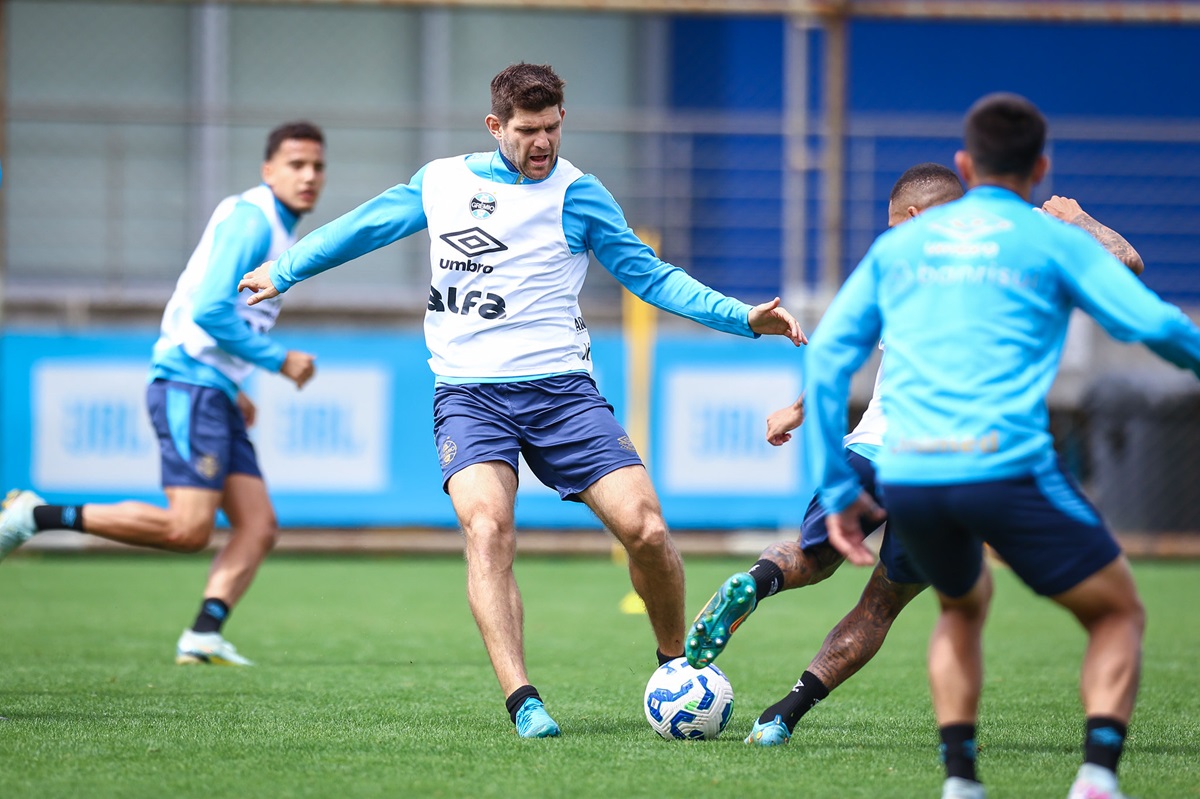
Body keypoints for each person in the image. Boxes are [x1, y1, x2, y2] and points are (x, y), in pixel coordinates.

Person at [236, 62, 805, 738]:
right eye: (529, 131)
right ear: (495, 125)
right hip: (469, 397)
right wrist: (286, 268)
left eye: (553, 129)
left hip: (563, 394)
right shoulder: (444, 181)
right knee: (487, 530)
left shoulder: (580, 195)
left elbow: (652, 278)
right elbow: (363, 227)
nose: (544, 144)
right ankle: (523, 699)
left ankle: (675, 665)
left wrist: (743, 317)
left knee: (647, 529)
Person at [803, 92, 1200, 799]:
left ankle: (961, 781)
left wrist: (835, 483)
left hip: (913, 471)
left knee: (960, 606)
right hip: (1006, 465)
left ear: (965, 164)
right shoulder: (1050, 239)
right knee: (1118, 610)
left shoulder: (902, 246)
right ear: (1040, 167)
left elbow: (829, 355)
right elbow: (1156, 323)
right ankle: (1098, 776)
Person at [684, 165, 1146, 750]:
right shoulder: (1020, 234)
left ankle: (758, 580)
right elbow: (1127, 265)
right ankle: (782, 716)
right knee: (881, 603)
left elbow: (841, 349)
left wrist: (800, 410)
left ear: (917, 218)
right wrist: (1077, 220)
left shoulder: (896, 265)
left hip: (876, 447)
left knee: (814, 553)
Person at [0, 121, 327, 667]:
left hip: (211, 386)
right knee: (186, 528)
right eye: (296, 164)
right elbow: (207, 310)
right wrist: (278, 360)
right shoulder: (254, 220)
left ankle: (203, 634)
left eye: (317, 166)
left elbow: (217, 318)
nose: (309, 176)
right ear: (268, 171)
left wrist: (234, 385)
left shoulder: (275, 227)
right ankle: (37, 515)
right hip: (187, 383)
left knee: (258, 526)